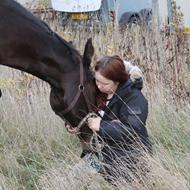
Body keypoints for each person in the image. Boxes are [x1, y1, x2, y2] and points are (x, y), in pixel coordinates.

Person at [86, 55, 152, 183]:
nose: (99, 86)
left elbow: (133, 131)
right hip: (102, 154)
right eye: (97, 81)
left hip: (131, 158)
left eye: (104, 83)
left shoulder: (135, 99)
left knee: (96, 184)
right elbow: (86, 114)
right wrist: (75, 124)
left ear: (118, 81)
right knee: (74, 178)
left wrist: (101, 126)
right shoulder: (101, 92)